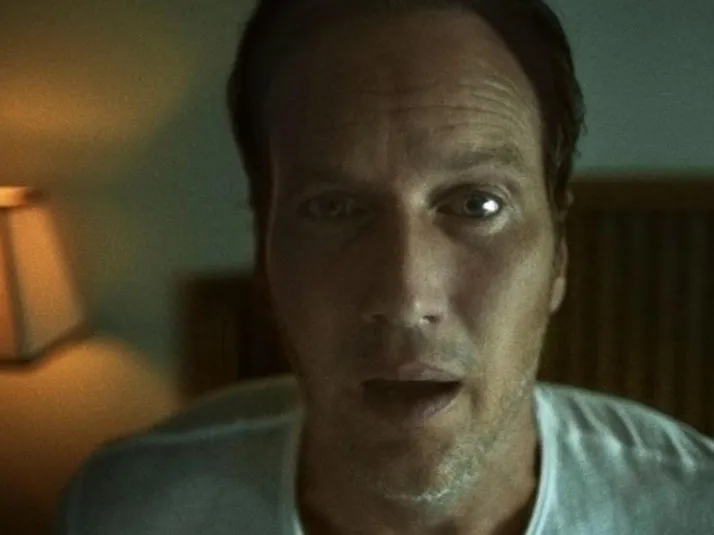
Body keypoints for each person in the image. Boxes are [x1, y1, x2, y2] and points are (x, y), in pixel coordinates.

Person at [54, 1, 714, 534]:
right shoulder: (125, 509)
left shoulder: (693, 509)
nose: (406, 295)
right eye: (333, 207)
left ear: (558, 255)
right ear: (264, 253)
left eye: (477, 204)